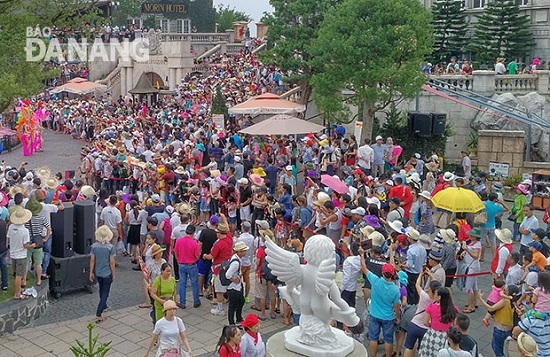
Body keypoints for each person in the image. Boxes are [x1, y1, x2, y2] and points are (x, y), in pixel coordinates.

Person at [360, 255, 400, 357]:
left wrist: (361, 254)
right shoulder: (395, 289)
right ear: (392, 274)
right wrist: (398, 317)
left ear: (382, 273)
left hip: (374, 313)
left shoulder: (376, 281)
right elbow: (396, 306)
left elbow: (364, 268)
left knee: (373, 337)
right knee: (388, 339)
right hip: (388, 316)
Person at [403, 276, 442, 357]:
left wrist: (421, 274)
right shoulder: (438, 302)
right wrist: (432, 276)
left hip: (414, 324)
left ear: (430, 289)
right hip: (426, 329)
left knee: (409, 347)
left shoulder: (424, 296)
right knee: (422, 350)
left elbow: (417, 284)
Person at [479, 285, 521, 357]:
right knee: (495, 345)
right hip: (508, 328)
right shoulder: (513, 301)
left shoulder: (505, 301)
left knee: (498, 350)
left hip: (500, 328)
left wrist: (480, 298)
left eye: (507, 289)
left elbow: (491, 309)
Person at [204, 219, 234, 316]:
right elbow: (228, 228)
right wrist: (224, 219)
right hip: (229, 265)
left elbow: (211, 256)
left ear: (220, 233)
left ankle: (220, 309)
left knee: (219, 290)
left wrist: (205, 255)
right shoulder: (229, 238)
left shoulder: (218, 244)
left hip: (219, 269)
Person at [418, 287, 458, 357]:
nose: (434, 295)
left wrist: (431, 324)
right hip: (446, 336)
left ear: (439, 297)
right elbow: (455, 325)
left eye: (436, 294)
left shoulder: (431, 307)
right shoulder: (454, 309)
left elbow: (425, 322)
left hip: (433, 334)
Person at [90, 225, 116, 323]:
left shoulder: (94, 246)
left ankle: (103, 304)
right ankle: (99, 312)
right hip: (107, 273)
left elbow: (92, 260)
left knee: (101, 289)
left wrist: (91, 272)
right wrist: (114, 274)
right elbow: (112, 262)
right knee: (106, 292)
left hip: (98, 272)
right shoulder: (110, 247)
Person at [173, 224, 201, 309]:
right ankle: (196, 301)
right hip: (191, 264)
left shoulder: (179, 241)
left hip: (181, 264)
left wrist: (179, 261)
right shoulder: (194, 243)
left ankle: (182, 302)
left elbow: (176, 252)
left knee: (182, 283)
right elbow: (197, 256)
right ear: (193, 233)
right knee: (194, 283)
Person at [24, 199, 50, 286]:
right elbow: (49, 228)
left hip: (28, 243)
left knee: (26, 262)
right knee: (38, 263)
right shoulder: (41, 218)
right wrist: (46, 238)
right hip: (38, 243)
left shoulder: (26, 219)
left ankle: (24, 279)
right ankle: (39, 280)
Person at [8, 208, 33, 300]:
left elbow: (9, 238)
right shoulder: (25, 231)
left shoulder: (11, 227)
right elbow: (25, 245)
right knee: (19, 275)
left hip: (13, 253)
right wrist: (31, 245)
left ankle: (20, 288)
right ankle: (17, 293)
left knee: (18, 273)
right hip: (21, 255)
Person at [225, 241, 248, 326]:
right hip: (233, 287)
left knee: (241, 301)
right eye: (243, 251)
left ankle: (238, 318)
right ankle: (232, 322)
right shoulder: (235, 263)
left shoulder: (236, 258)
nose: (245, 252)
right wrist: (234, 280)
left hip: (237, 286)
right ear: (238, 252)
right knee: (233, 305)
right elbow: (227, 275)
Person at [461, 227, 482, 313]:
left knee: (468, 287)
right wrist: (465, 252)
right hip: (472, 266)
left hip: (472, 267)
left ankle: (471, 306)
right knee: (474, 285)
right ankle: (474, 302)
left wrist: (466, 250)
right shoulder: (474, 243)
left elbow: (476, 256)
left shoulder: (477, 245)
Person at [236, 221, 256, 303]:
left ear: (243, 228)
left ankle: (239, 295)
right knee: (247, 280)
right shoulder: (252, 237)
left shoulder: (240, 238)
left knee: (238, 279)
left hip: (241, 262)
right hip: (248, 261)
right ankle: (247, 296)